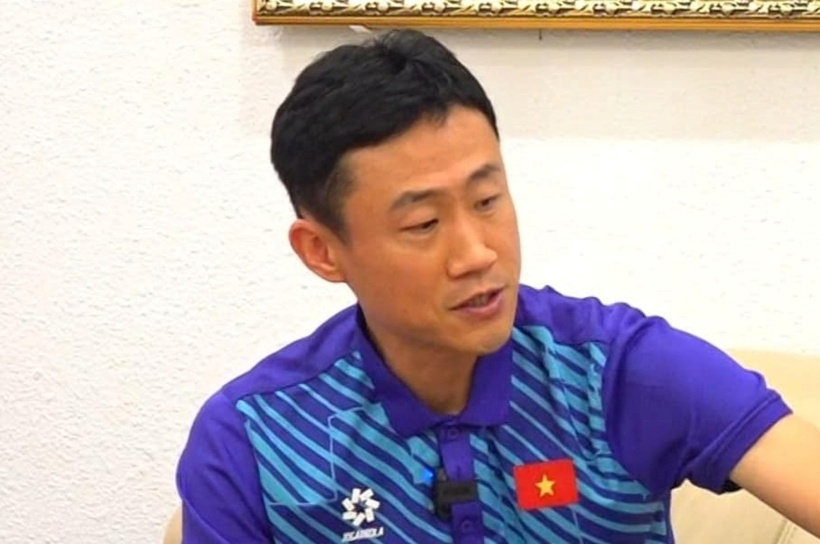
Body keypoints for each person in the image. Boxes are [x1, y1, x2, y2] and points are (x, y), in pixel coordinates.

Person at [175, 29, 820, 543]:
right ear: (321, 251)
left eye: (487, 200)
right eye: (424, 224)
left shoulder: (618, 370)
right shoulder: (254, 439)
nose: (477, 254)